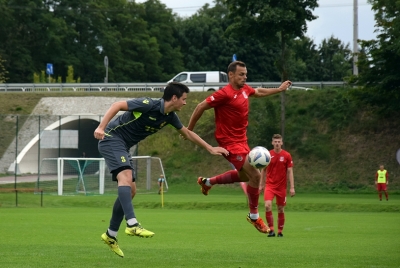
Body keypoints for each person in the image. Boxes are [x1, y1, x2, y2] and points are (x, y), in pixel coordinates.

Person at [94, 82, 229, 257]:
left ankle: (110, 235)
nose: (185, 103)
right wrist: (101, 127)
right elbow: (117, 105)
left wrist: (210, 148)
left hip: (123, 146)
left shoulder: (170, 117)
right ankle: (132, 224)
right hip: (111, 138)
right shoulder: (149, 104)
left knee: (131, 190)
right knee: (125, 177)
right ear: (174, 98)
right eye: (184, 99)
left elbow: (187, 133)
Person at [187, 60, 292, 234]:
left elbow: (258, 92)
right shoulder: (224, 94)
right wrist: (189, 130)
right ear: (231, 75)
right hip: (228, 143)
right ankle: (253, 216)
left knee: (244, 177)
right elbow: (200, 106)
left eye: (246, 74)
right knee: (256, 176)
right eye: (241, 74)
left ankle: (207, 182)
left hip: (242, 142)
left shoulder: (244, 90)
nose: (245, 77)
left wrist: (279, 89)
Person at [260, 134, 295, 238]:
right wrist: (261, 184)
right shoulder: (267, 155)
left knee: (280, 209)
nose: (277, 143)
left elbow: (290, 171)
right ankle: (271, 230)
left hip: (281, 187)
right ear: (272, 143)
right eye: (275, 141)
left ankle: (280, 231)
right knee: (267, 206)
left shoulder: (287, 155)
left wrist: (292, 187)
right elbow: (263, 170)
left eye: (279, 141)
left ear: (282, 143)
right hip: (269, 186)